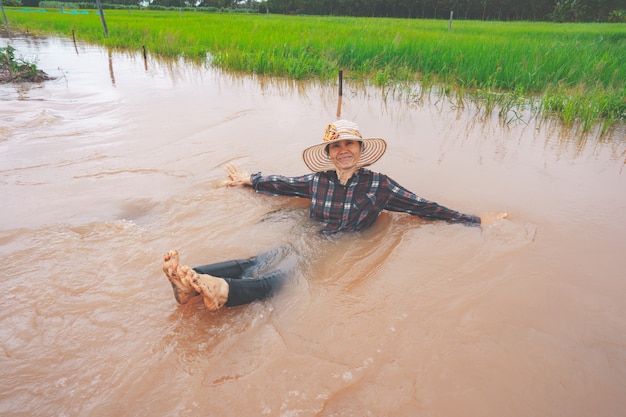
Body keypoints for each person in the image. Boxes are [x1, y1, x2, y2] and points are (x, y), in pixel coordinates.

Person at [162, 120, 505, 311]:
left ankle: (221, 292)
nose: (343, 151)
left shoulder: (379, 186)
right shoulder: (318, 180)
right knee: (261, 259)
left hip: (334, 247)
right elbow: (283, 183)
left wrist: (473, 220)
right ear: (329, 153)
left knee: (283, 277)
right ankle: (189, 278)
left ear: (360, 150)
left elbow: (424, 207)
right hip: (308, 234)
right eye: (336, 146)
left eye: (349, 145)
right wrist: (246, 180)